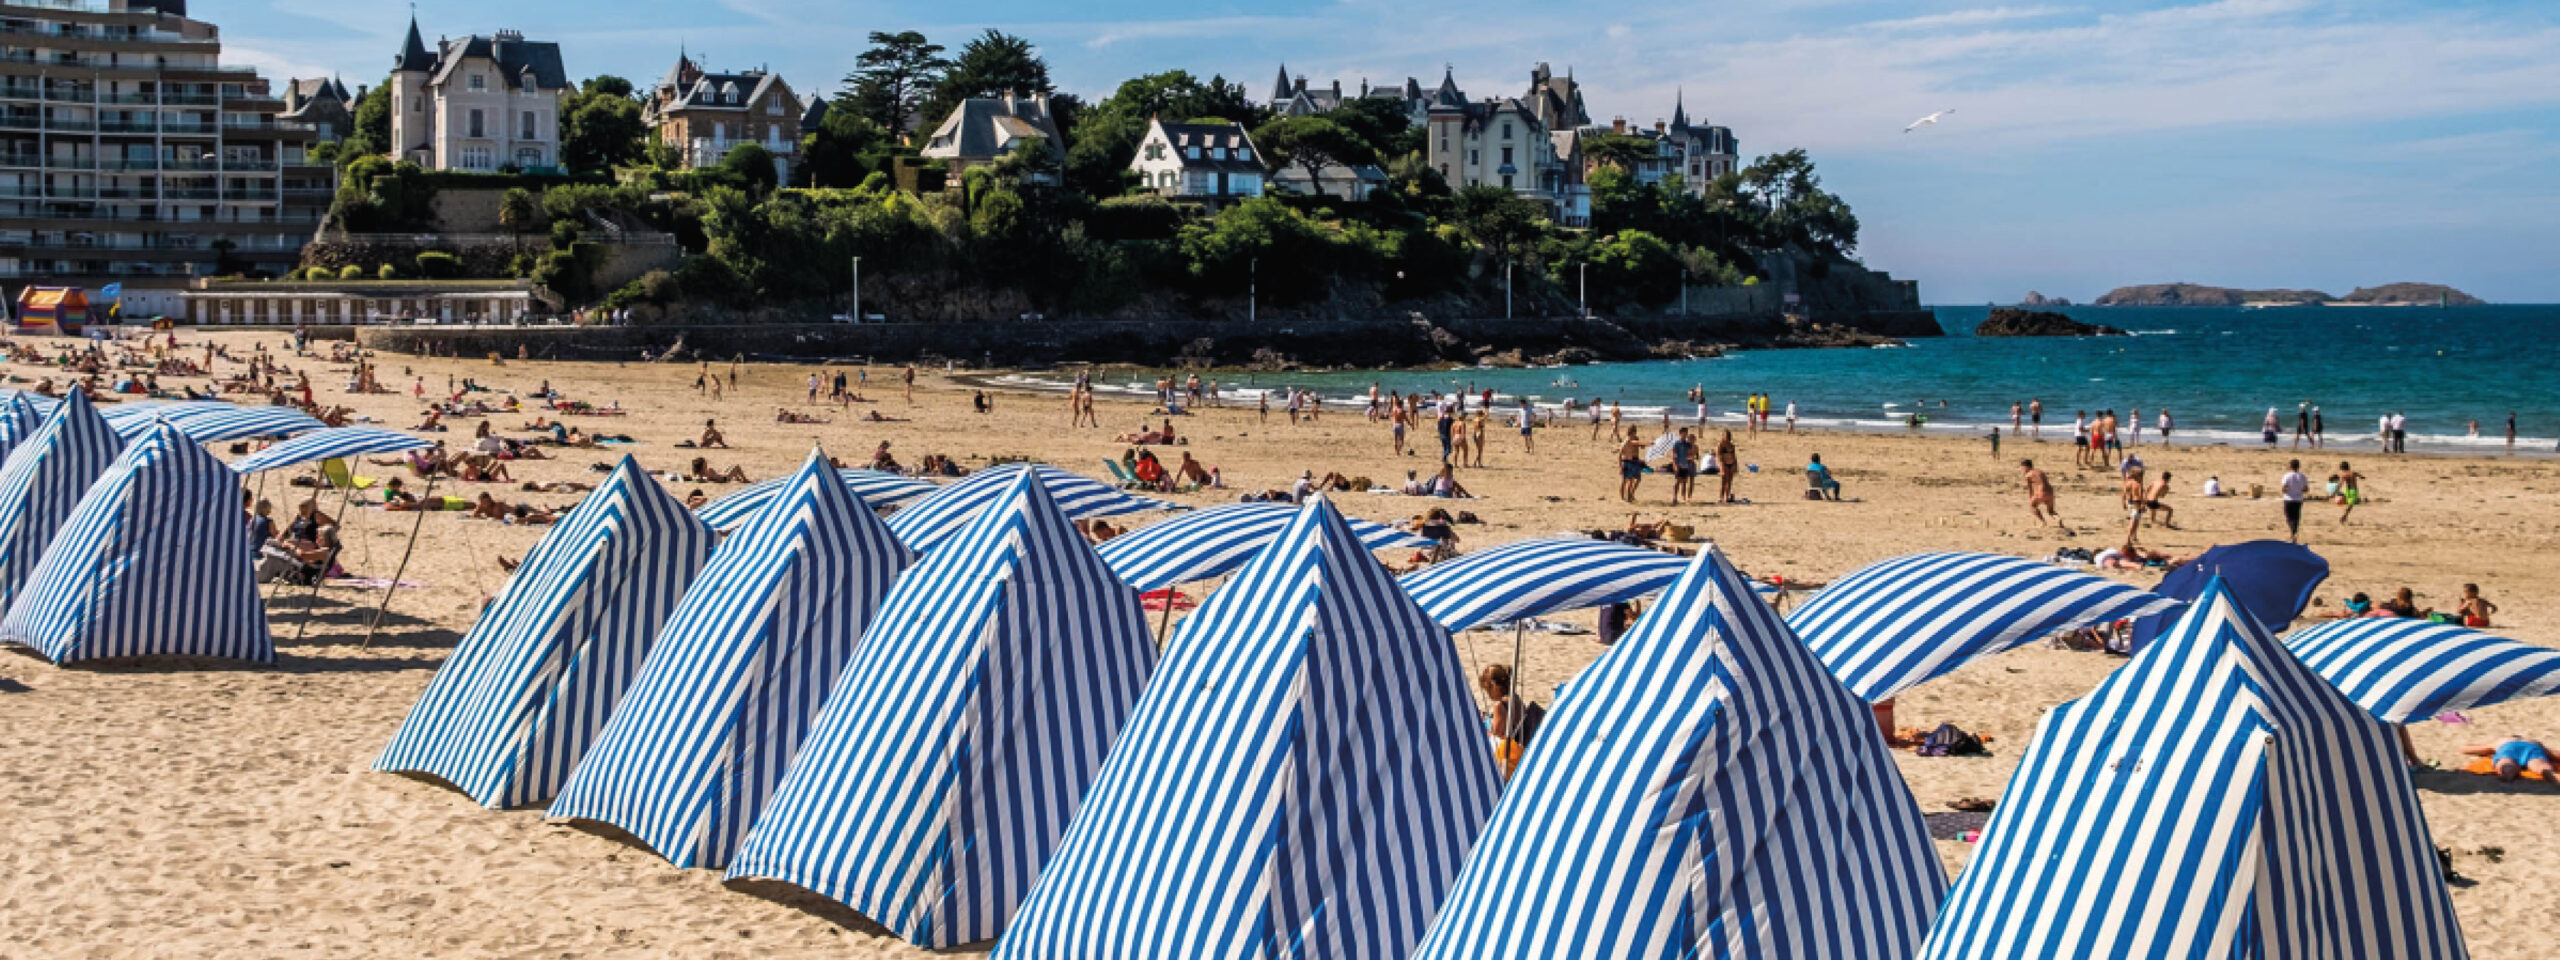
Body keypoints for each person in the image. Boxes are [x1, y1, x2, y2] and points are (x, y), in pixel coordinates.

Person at [1478, 663, 1536, 775]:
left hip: (1509, 753)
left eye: (1488, 690)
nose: (1488, 695)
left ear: (1494, 686)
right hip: (1522, 744)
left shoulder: (1500, 705)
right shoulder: (1515, 698)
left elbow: (1496, 734)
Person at [2460, 738, 2556, 784]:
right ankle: (2554, 776)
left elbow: (2464, 749)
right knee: (2542, 768)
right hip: (2532, 748)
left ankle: (2508, 775)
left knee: (2506, 764)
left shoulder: (2502, 741)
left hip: (2509, 748)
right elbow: (2554, 754)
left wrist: (2485, 747)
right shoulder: (2533, 741)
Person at [2023, 459, 2062, 530]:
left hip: (2042, 492)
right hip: (2050, 492)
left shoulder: (2028, 475)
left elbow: (2030, 489)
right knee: (2051, 511)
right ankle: (2058, 519)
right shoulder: (2040, 471)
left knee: (2033, 506)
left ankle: (2042, 522)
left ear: (2026, 467)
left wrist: (2031, 498)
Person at [2278, 460, 2310, 542]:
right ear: (2298, 466)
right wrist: (2299, 490)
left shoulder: (2287, 476)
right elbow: (2306, 489)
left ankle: (2293, 533)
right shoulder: (2302, 476)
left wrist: (2287, 491)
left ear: (2290, 466)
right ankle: (2294, 532)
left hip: (2289, 499)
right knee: (2296, 517)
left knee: (2289, 516)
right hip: (2298, 499)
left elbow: (2284, 488)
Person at [1669, 429, 1699, 505]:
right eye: (1684, 434)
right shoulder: (1677, 443)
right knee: (1677, 482)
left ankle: (1683, 497)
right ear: (1680, 434)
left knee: (1684, 482)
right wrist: (1675, 464)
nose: (1685, 435)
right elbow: (1674, 454)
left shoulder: (1687, 444)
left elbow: (1691, 454)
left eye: (1686, 434)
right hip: (1679, 464)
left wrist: (1692, 446)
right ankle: (1675, 497)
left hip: (1686, 465)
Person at [1616, 429, 1646, 503]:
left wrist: (1642, 444)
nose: (1634, 434)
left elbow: (1641, 446)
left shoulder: (1635, 438)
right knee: (1625, 480)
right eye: (1633, 433)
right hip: (1627, 461)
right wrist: (1620, 466)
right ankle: (1623, 498)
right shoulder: (1626, 441)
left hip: (1635, 461)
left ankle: (1631, 494)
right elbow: (1620, 454)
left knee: (1637, 479)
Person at [1715, 430, 1740, 504]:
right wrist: (1721, 466)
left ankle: (1727, 496)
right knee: (1723, 481)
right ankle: (1721, 497)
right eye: (1726, 436)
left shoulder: (1731, 446)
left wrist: (1735, 465)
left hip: (1731, 463)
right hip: (1724, 463)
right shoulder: (1720, 445)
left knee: (1729, 481)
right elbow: (1718, 456)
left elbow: (1734, 456)